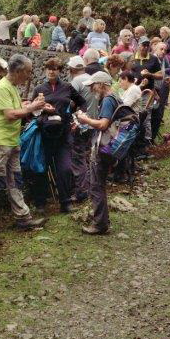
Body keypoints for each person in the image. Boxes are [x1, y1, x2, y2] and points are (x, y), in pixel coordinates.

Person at [0, 54, 49, 234]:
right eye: (28, 72)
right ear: (18, 71)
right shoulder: (2, 87)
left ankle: (23, 217)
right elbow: (10, 115)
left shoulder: (11, 87)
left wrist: (30, 105)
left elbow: (16, 109)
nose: (29, 76)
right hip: (0, 141)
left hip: (12, 140)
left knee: (15, 179)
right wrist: (31, 108)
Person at [74, 71, 118, 235]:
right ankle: (103, 220)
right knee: (99, 184)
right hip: (111, 146)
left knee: (96, 185)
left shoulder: (107, 100)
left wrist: (85, 120)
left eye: (93, 86)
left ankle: (100, 224)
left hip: (103, 147)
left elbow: (103, 125)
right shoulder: (115, 97)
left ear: (101, 85)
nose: (91, 89)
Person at [35, 56, 79, 212]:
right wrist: (42, 109)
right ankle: (41, 203)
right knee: (42, 167)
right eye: (48, 68)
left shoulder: (67, 87)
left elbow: (81, 102)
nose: (51, 72)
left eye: (54, 69)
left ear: (60, 71)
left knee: (65, 168)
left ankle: (65, 202)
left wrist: (75, 118)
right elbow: (32, 110)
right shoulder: (39, 89)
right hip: (45, 133)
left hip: (63, 132)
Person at [68, 56, 95, 202]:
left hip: (80, 123)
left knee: (77, 158)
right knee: (87, 155)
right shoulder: (91, 78)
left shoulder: (76, 82)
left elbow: (71, 104)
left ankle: (81, 191)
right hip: (93, 123)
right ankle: (90, 186)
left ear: (71, 69)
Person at [146, 40, 169, 142]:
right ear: (155, 49)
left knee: (159, 114)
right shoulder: (152, 60)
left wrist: (167, 78)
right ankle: (148, 139)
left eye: (165, 50)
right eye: (161, 49)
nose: (163, 51)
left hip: (161, 89)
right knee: (153, 114)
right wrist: (154, 92)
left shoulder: (163, 59)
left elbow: (166, 71)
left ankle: (153, 138)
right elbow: (149, 77)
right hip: (152, 91)